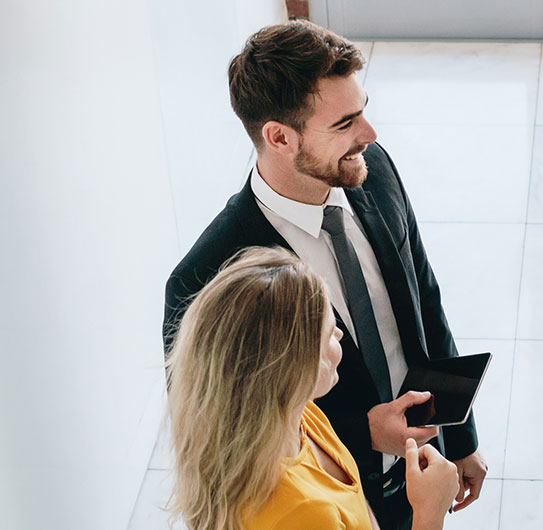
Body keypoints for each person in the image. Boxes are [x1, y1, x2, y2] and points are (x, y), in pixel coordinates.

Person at [163, 21, 486, 530]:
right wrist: (363, 434)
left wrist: (461, 436)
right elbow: (218, 429)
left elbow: (424, 298)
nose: (370, 134)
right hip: (324, 501)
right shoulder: (209, 276)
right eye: (345, 123)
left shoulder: (371, 169)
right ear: (278, 137)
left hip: (425, 463)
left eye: (364, 111)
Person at [166, 247, 460, 530]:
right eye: (329, 332)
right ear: (294, 369)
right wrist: (430, 512)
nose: (340, 334)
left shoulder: (300, 412)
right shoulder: (304, 513)